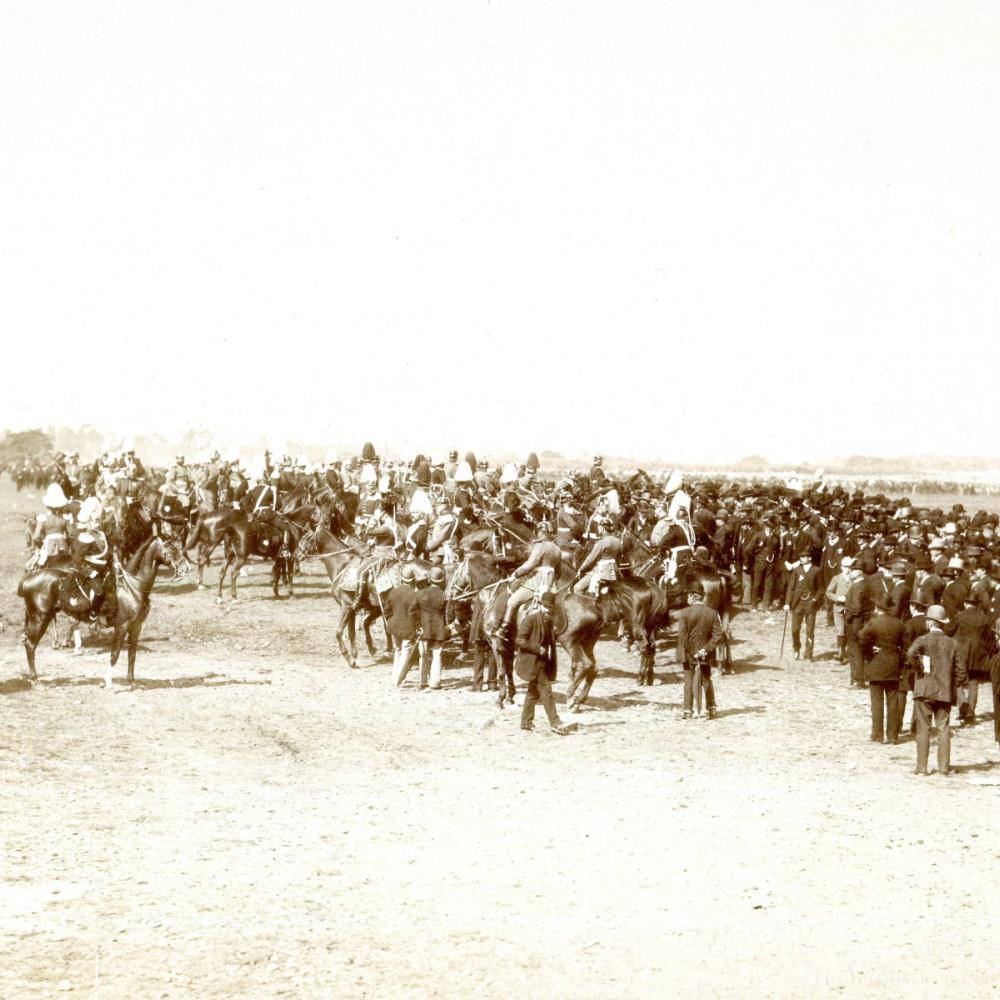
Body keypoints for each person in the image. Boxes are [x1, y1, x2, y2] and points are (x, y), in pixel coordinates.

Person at [905, 604, 968, 776]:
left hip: (924, 689)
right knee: (944, 730)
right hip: (944, 692)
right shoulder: (952, 643)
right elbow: (960, 670)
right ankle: (943, 768)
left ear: (930, 623)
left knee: (923, 730)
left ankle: (922, 768)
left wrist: (920, 667)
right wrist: (955, 685)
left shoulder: (922, 640)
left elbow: (910, 654)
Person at [495, 521, 562, 640]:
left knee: (512, 600)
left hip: (537, 581)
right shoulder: (557, 548)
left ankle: (503, 628)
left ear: (541, 532)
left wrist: (517, 573)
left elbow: (530, 564)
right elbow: (559, 571)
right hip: (551, 583)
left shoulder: (540, 546)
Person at [515, 591, 570, 734]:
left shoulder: (549, 621)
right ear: (540, 605)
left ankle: (525, 722)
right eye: (545, 607)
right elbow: (520, 640)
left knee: (533, 692)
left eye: (550, 607)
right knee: (546, 692)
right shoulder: (530, 619)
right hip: (533, 661)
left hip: (542, 662)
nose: (547, 610)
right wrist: (537, 649)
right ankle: (555, 722)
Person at [858, 594, 906, 744]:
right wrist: (899, 658)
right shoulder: (900, 624)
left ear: (878, 608)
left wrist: (870, 650)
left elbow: (861, 638)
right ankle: (892, 736)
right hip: (893, 666)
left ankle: (877, 734)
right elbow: (906, 647)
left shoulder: (873, 623)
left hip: (876, 665)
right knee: (893, 702)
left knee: (877, 702)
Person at [674, 585, 725, 719]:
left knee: (689, 681)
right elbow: (718, 634)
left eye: (688, 596)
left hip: (688, 653)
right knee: (707, 679)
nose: (687, 599)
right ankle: (712, 709)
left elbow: (682, 635)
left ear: (693, 596)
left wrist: (693, 651)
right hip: (705, 654)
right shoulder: (712, 613)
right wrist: (705, 650)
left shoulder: (685, 612)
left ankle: (688, 711)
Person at [783, 546, 823, 660]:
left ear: (809, 558)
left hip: (811, 604)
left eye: (804, 557)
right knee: (795, 630)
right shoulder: (797, 570)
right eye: (801, 557)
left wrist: (815, 600)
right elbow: (791, 588)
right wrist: (787, 603)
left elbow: (821, 589)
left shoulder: (816, 570)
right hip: (797, 604)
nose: (802, 559)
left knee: (810, 631)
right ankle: (796, 648)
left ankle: (808, 654)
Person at [388, 563, 421, 686]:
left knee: (398, 651)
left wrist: (392, 620)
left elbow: (387, 610)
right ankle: (399, 679)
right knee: (405, 653)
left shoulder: (393, 592)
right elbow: (415, 614)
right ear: (413, 581)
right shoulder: (415, 594)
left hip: (394, 626)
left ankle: (394, 677)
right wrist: (417, 626)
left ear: (401, 578)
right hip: (407, 628)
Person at [417, 565, 449, 690]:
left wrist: (417, 625)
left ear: (429, 579)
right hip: (439, 629)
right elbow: (448, 614)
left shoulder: (420, 593)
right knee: (437, 655)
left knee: (423, 655)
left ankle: (423, 681)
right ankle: (435, 682)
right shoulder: (444, 595)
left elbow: (414, 611)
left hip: (424, 628)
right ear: (441, 581)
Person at [573, 518, 622, 594]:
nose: (598, 528)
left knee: (577, 588)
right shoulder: (617, 541)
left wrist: (580, 569)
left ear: (603, 528)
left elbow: (590, 559)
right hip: (614, 572)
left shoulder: (602, 542)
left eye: (599, 526)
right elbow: (619, 558)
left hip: (601, 571)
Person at [32, 483, 71, 566]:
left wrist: (41, 544)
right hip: (63, 546)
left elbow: (36, 537)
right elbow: (71, 534)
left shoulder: (43, 518)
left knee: (35, 565)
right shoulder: (65, 518)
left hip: (49, 547)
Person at [825, 556, 854, 663]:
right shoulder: (836, 578)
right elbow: (828, 592)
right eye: (846, 567)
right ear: (842, 567)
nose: (848, 569)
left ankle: (849, 653)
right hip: (839, 609)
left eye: (850, 567)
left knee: (850, 631)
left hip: (851, 609)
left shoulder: (854, 579)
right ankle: (840, 652)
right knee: (841, 630)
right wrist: (837, 598)